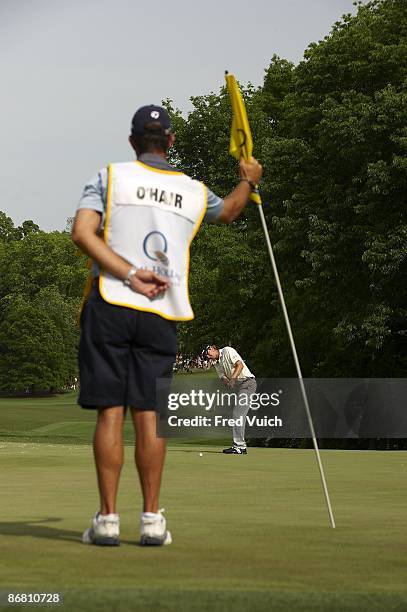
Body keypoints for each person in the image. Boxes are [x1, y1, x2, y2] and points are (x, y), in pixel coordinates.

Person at [72, 104, 262, 546]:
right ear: (170, 142)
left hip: (113, 302)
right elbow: (231, 211)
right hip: (163, 312)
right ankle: (153, 520)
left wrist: (127, 273)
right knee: (149, 415)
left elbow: (83, 233)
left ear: (134, 142)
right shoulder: (192, 190)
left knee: (111, 412)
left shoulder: (110, 177)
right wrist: (249, 178)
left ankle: (108, 520)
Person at [204, 344, 257, 454]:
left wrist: (232, 379)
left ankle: (240, 447)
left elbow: (240, 365)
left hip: (247, 384)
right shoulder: (216, 363)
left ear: (213, 348)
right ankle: (239, 446)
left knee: (238, 414)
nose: (209, 357)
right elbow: (223, 377)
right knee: (236, 414)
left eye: (208, 354)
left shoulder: (228, 351)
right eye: (207, 357)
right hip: (238, 387)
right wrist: (228, 383)